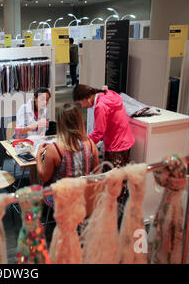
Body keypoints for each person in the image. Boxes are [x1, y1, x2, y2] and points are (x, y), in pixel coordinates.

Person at [35, 103, 100, 243]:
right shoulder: (90, 144)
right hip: (84, 198)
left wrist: (37, 158)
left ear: (61, 123)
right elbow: (97, 175)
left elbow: (43, 176)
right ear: (79, 121)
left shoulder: (55, 149)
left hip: (61, 200)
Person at [73, 84, 135, 226]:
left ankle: (113, 216)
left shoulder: (100, 106)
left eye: (80, 103)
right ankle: (117, 212)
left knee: (113, 181)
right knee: (120, 179)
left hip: (116, 146)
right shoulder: (108, 94)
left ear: (86, 98)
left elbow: (99, 132)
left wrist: (84, 144)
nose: (82, 106)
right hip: (125, 141)